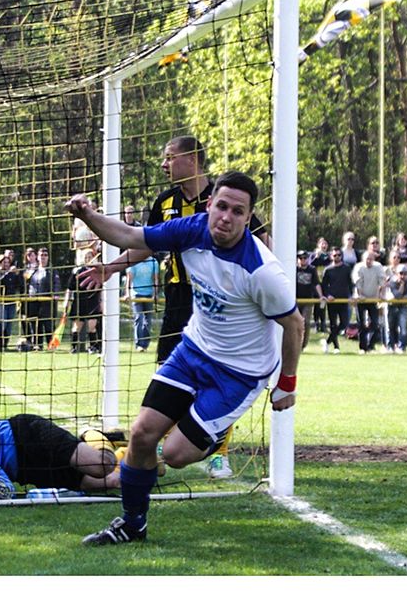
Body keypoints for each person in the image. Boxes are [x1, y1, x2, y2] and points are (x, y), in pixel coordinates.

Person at [66, 171, 303, 545]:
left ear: (248, 217)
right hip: (193, 351)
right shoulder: (189, 229)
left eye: (237, 211)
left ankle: (214, 428)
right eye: (221, 206)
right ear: (210, 205)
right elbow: (131, 236)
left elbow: (294, 325)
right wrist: (87, 216)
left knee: (175, 455)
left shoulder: (262, 271)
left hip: (239, 374)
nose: (226, 216)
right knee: (142, 434)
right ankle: (132, 524)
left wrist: (286, 384)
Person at [78, 136, 268, 478]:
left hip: (224, 304)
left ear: (193, 159)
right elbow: (146, 243)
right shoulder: (165, 202)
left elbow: (262, 243)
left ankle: (216, 453)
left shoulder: (226, 199)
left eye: (170, 157)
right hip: (179, 297)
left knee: (221, 376)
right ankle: (160, 452)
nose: (164, 165)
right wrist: (111, 268)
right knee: (171, 372)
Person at [64, 248, 102, 354]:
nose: (88, 259)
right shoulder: (77, 272)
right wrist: (66, 301)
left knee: (92, 326)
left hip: (93, 302)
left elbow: (102, 288)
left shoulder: (97, 271)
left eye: (90, 257)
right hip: (79, 301)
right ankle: (74, 347)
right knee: (77, 327)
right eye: (86, 257)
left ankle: (93, 347)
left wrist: (102, 302)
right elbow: (70, 288)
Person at [0, 252, 25, 351]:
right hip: (0, 301)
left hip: (11, 302)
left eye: (8, 262)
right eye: (4, 262)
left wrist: (18, 275)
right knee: (2, 323)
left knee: (9, 325)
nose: (6, 264)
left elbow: (20, 284)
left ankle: (4, 345)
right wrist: (8, 273)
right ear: (0, 263)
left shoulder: (12, 273)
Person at [320, 246, 353, 354]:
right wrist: (327, 295)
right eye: (335, 255)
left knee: (344, 323)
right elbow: (324, 286)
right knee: (333, 324)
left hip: (343, 300)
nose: (337, 257)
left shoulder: (347, 268)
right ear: (331, 256)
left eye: (339, 255)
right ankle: (336, 347)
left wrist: (352, 295)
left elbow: (350, 284)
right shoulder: (328, 270)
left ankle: (327, 341)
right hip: (332, 301)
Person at [125, 251, 159, 352]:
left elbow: (155, 279)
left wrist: (155, 293)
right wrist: (127, 293)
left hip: (149, 295)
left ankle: (145, 344)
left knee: (148, 321)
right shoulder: (134, 262)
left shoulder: (153, 262)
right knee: (139, 318)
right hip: (136, 294)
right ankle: (139, 344)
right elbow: (129, 280)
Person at [27, 247, 61, 349]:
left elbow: (57, 284)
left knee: (48, 324)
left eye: (45, 255)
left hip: (47, 302)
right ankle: (37, 344)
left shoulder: (52, 271)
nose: (43, 257)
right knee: (35, 324)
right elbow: (25, 282)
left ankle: (51, 345)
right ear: (37, 257)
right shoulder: (32, 270)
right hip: (34, 301)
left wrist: (55, 294)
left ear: (48, 257)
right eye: (41, 255)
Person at [352, 250, 385, 354]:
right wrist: (360, 295)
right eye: (367, 259)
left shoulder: (378, 267)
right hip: (361, 299)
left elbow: (382, 281)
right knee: (361, 324)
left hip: (373, 299)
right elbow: (358, 282)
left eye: (371, 259)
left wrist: (380, 295)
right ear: (363, 259)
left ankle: (370, 346)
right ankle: (362, 348)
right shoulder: (359, 267)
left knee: (375, 325)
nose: (369, 261)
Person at [295, 250, 324, 350]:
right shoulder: (294, 269)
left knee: (306, 322)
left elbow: (316, 283)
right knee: (295, 322)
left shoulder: (312, 269)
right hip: (296, 300)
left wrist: (321, 296)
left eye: (304, 258)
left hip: (308, 299)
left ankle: (303, 345)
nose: (303, 260)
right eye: (300, 258)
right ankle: (295, 344)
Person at [386, 264, 407, 353]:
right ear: (396, 273)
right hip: (391, 305)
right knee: (390, 326)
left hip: (404, 306)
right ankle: (390, 347)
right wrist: (402, 288)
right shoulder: (391, 282)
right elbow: (396, 296)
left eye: (405, 273)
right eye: (401, 273)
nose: (403, 276)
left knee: (403, 327)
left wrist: (399, 295)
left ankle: (401, 347)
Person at [309, 237, 331, 333]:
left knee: (323, 304)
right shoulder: (313, 255)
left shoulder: (329, 256)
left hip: (324, 283)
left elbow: (330, 265)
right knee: (316, 304)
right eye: (322, 244)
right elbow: (310, 265)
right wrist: (316, 257)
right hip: (315, 283)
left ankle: (323, 324)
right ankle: (316, 323)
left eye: (325, 244)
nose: (324, 245)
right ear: (318, 245)